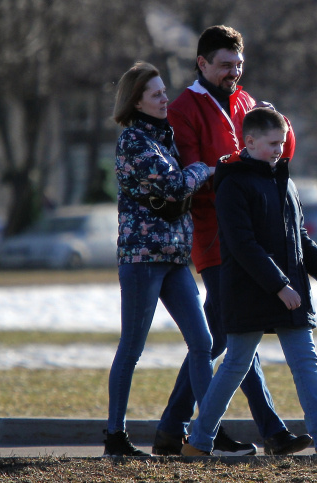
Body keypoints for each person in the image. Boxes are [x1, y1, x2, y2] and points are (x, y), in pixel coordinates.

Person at [154, 24, 309, 456]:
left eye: (238, 64)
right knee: (228, 335)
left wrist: (281, 123)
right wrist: (237, 167)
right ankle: (260, 430)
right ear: (202, 63)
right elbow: (194, 173)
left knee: (229, 335)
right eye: (225, 65)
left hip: (252, 238)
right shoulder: (184, 109)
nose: (234, 72)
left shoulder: (246, 102)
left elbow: (279, 154)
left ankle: (174, 429)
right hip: (215, 237)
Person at [181, 107, 317, 456]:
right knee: (235, 365)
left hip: (290, 292)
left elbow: (298, 236)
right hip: (249, 293)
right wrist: (279, 285)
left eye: (282, 143)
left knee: (306, 362)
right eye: (273, 144)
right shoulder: (233, 183)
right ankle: (199, 441)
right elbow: (242, 244)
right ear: (250, 141)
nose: (279, 150)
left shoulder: (284, 180)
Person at [105, 61, 214, 457]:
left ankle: (206, 432)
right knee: (132, 348)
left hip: (175, 257)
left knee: (202, 342)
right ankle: (115, 436)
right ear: (137, 102)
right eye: (156, 94)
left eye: (165, 91)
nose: (165, 98)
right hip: (142, 259)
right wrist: (203, 168)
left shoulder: (165, 138)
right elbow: (173, 185)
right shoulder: (134, 142)